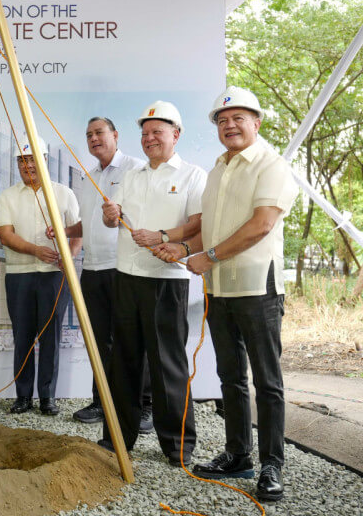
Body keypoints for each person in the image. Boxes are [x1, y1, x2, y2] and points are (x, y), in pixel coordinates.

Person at [154, 87, 298, 501]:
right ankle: (239, 454)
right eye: (222, 120)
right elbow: (210, 228)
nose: (229, 125)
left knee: (267, 382)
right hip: (219, 289)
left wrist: (209, 256)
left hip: (257, 288)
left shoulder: (272, 165)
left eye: (238, 118)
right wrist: (185, 249)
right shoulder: (217, 169)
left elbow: (262, 225)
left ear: (257, 121)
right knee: (230, 377)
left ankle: (272, 465)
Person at [99, 101, 205, 466]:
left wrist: (161, 236)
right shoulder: (132, 175)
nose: (149, 139)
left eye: (157, 132)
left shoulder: (193, 175)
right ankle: (118, 437)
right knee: (124, 361)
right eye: (145, 133)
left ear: (176, 134)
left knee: (167, 363)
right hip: (127, 277)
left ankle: (177, 446)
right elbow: (113, 219)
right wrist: (109, 214)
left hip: (166, 281)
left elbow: (197, 223)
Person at [52, 117, 152, 430]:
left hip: (123, 267)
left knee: (132, 339)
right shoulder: (87, 177)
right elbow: (88, 223)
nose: (94, 138)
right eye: (89, 134)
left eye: (99, 132)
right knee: (98, 341)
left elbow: (142, 214)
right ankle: (102, 401)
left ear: (115, 135)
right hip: (93, 269)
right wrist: (63, 230)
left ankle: (145, 406)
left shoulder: (136, 169)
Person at [0, 135, 80, 416]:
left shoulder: (64, 193)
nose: (27, 165)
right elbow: (5, 235)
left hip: (53, 275)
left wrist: (68, 258)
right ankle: (23, 397)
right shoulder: (8, 196)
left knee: (51, 337)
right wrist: (36, 250)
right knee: (23, 337)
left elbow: (77, 232)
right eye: (21, 160)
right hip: (19, 274)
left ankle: (47, 398)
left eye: (32, 158)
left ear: (44, 160)